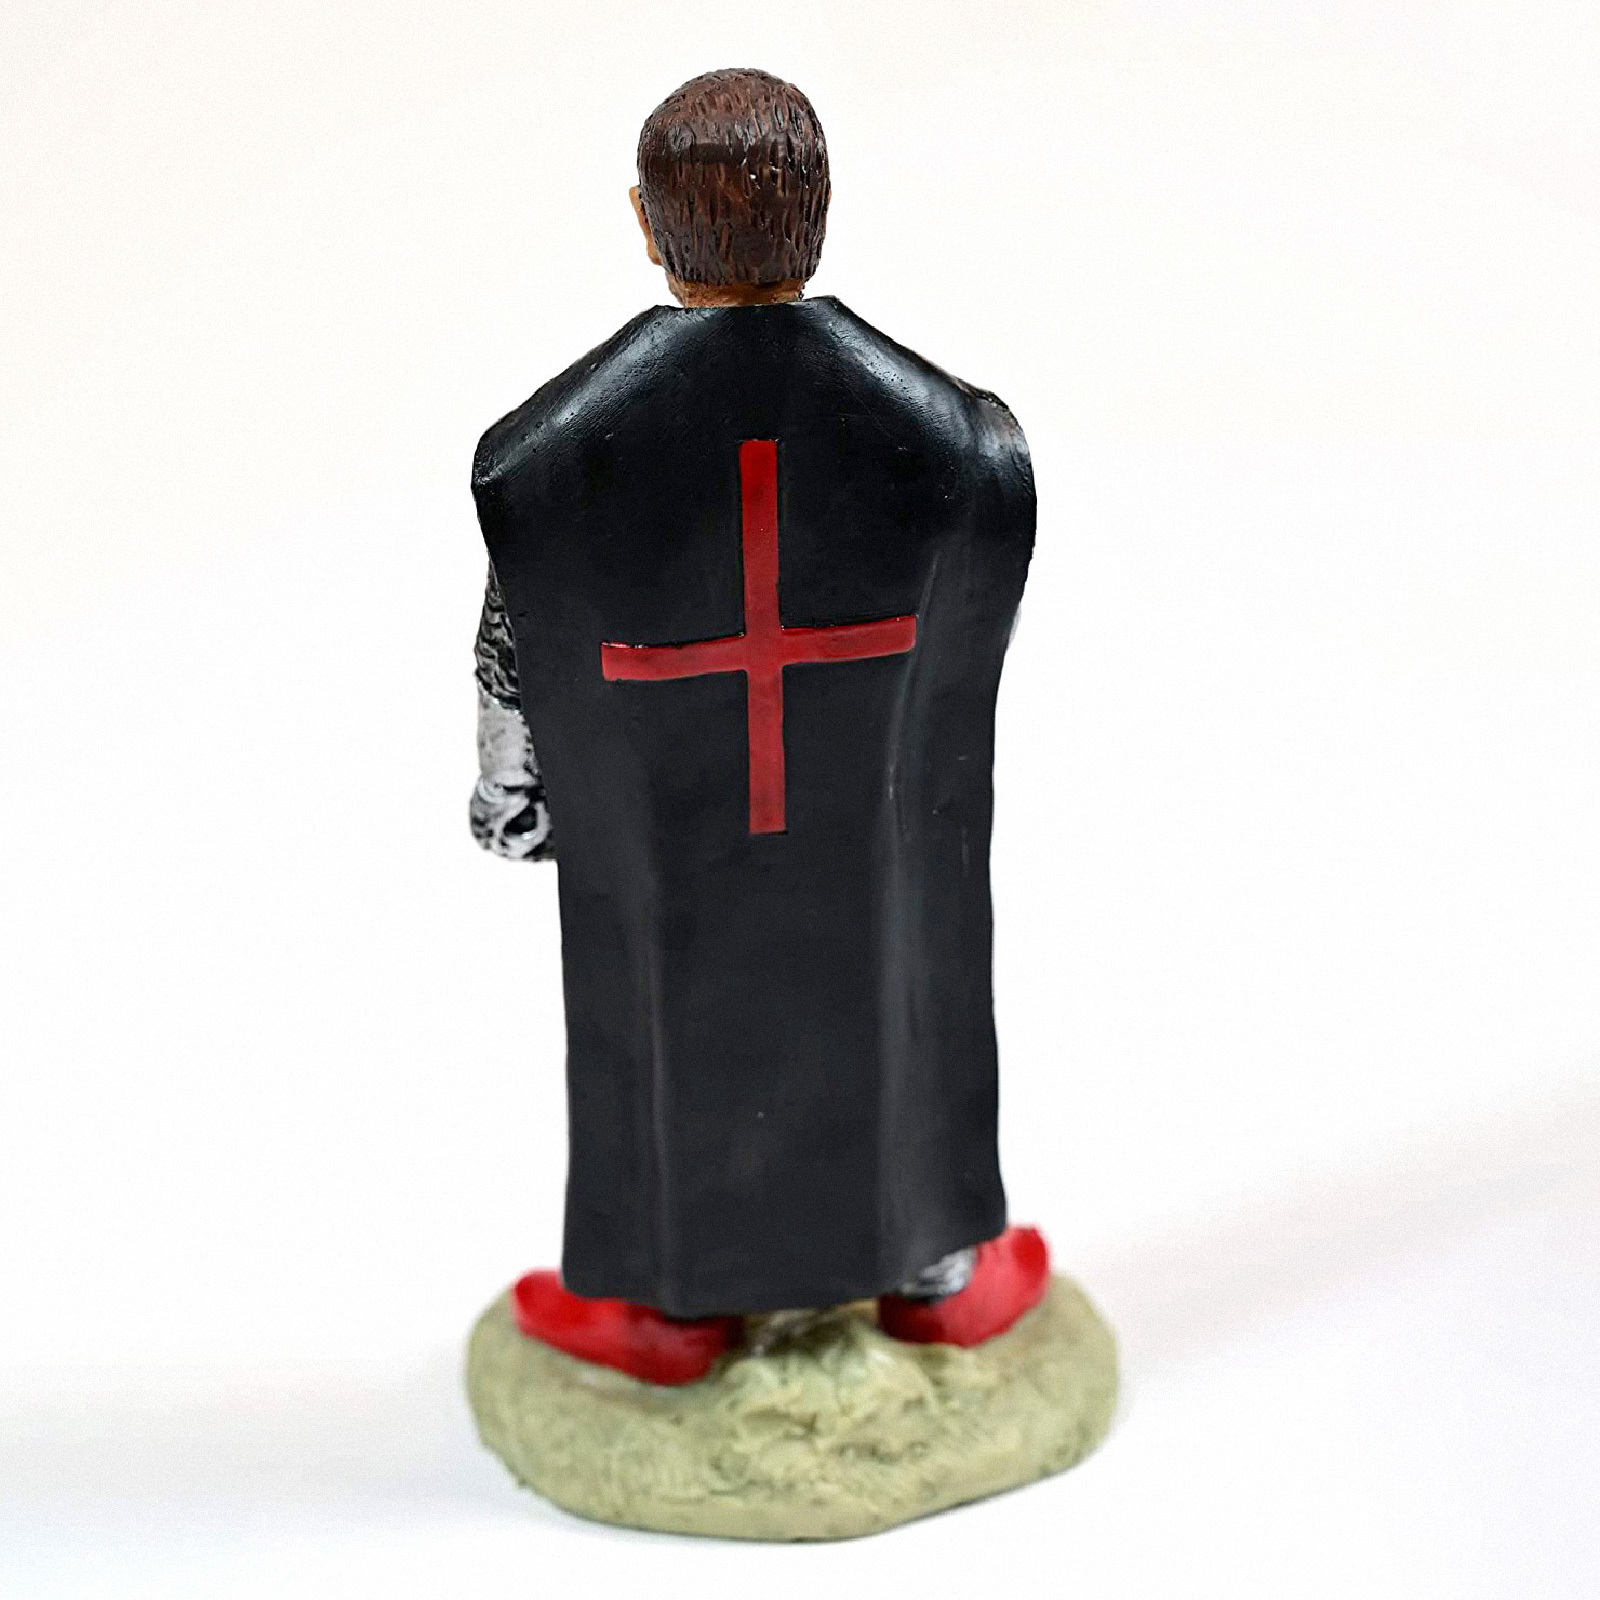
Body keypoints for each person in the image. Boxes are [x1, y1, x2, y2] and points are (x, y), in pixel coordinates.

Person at [469, 68, 1048, 1385]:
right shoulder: (958, 439)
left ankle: (676, 1311)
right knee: (899, 984)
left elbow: (516, 639)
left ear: (644, 220)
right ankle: (932, 1273)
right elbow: (975, 615)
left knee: (669, 1016)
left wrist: (511, 784)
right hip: (873, 814)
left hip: (669, 830)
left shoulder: (551, 455)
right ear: (821, 211)